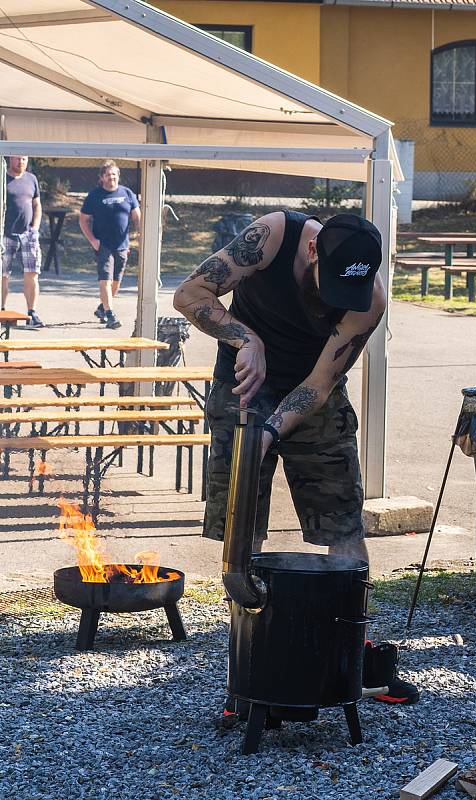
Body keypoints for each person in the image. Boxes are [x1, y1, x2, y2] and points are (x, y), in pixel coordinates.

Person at [174, 209, 419, 706]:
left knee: (343, 524)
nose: (335, 302)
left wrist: (270, 430)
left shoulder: (369, 301)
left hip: (314, 401)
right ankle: (249, 661)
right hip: (243, 387)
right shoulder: (274, 237)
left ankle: (351, 656)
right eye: (329, 286)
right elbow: (189, 295)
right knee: (242, 525)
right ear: (313, 252)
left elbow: (320, 383)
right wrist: (247, 339)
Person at [79, 160, 141, 330]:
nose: (111, 177)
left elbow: (137, 217)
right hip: (103, 244)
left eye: (114, 174)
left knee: (116, 281)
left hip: (122, 245)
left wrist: (141, 234)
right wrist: (93, 240)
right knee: (105, 279)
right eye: (108, 175)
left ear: (118, 176)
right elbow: (83, 220)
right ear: (102, 177)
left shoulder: (127, 193)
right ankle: (110, 315)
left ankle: (102, 308)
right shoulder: (95, 196)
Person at [1, 155, 45, 327]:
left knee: (32, 273)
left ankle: (31, 313)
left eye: (24, 159)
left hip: (28, 234)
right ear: (11, 158)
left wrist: (35, 227)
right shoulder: (2, 177)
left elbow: (37, 205)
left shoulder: (31, 179)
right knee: (2, 275)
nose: (21, 162)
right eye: (18, 158)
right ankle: (2, 312)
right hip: (5, 234)